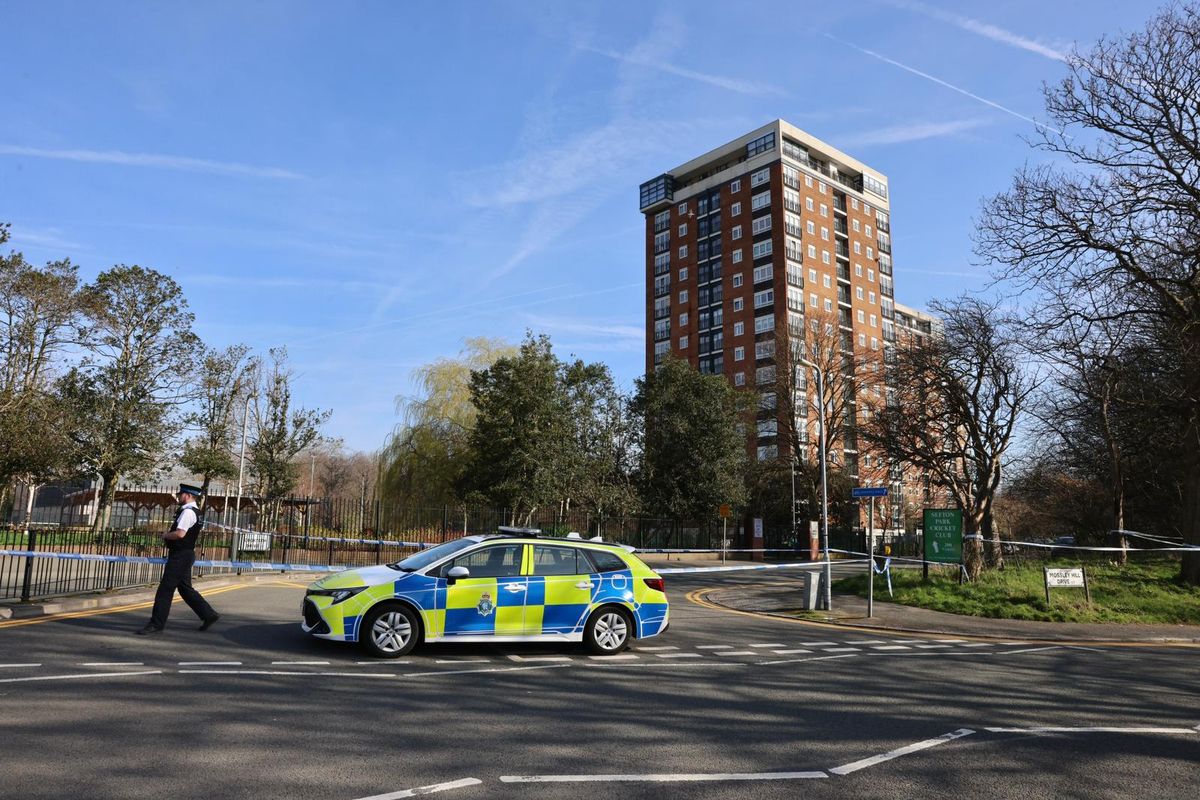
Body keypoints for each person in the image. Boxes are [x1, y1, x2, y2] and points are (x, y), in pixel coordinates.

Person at [136, 483, 220, 635]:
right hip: (185, 554)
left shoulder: (188, 512)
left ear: (188, 496)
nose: (179, 496)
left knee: (165, 590)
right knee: (185, 589)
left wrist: (165, 535)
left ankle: (156, 624)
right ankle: (208, 614)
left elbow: (180, 534)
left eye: (181, 494)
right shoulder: (196, 512)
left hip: (180, 556)